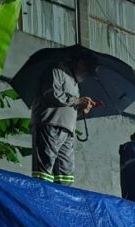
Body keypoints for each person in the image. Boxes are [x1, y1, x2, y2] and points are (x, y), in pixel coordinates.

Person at [30, 52, 98, 186]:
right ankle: (41, 198)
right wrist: (78, 100)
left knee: (65, 171)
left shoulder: (74, 82)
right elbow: (52, 94)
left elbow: (66, 108)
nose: (86, 76)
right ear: (80, 63)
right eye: (87, 72)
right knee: (45, 167)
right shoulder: (57, 69)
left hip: (67, 130)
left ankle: (61, 200)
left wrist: (81, 111)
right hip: (49, 124)